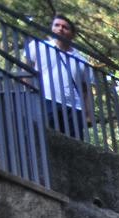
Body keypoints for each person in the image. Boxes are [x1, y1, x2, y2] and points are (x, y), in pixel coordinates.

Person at [23, 13, 93, 141]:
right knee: (47, 140)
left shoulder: (81, 60)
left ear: (72, 34)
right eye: (57, 25)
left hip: (74, 107)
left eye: (65, 27)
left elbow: (86, 90)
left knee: (74, 144)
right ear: (52, 28)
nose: (60, 28)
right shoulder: (38, 46)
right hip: (46, 100)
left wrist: (88, 114)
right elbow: (26, 70)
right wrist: (29, 93)